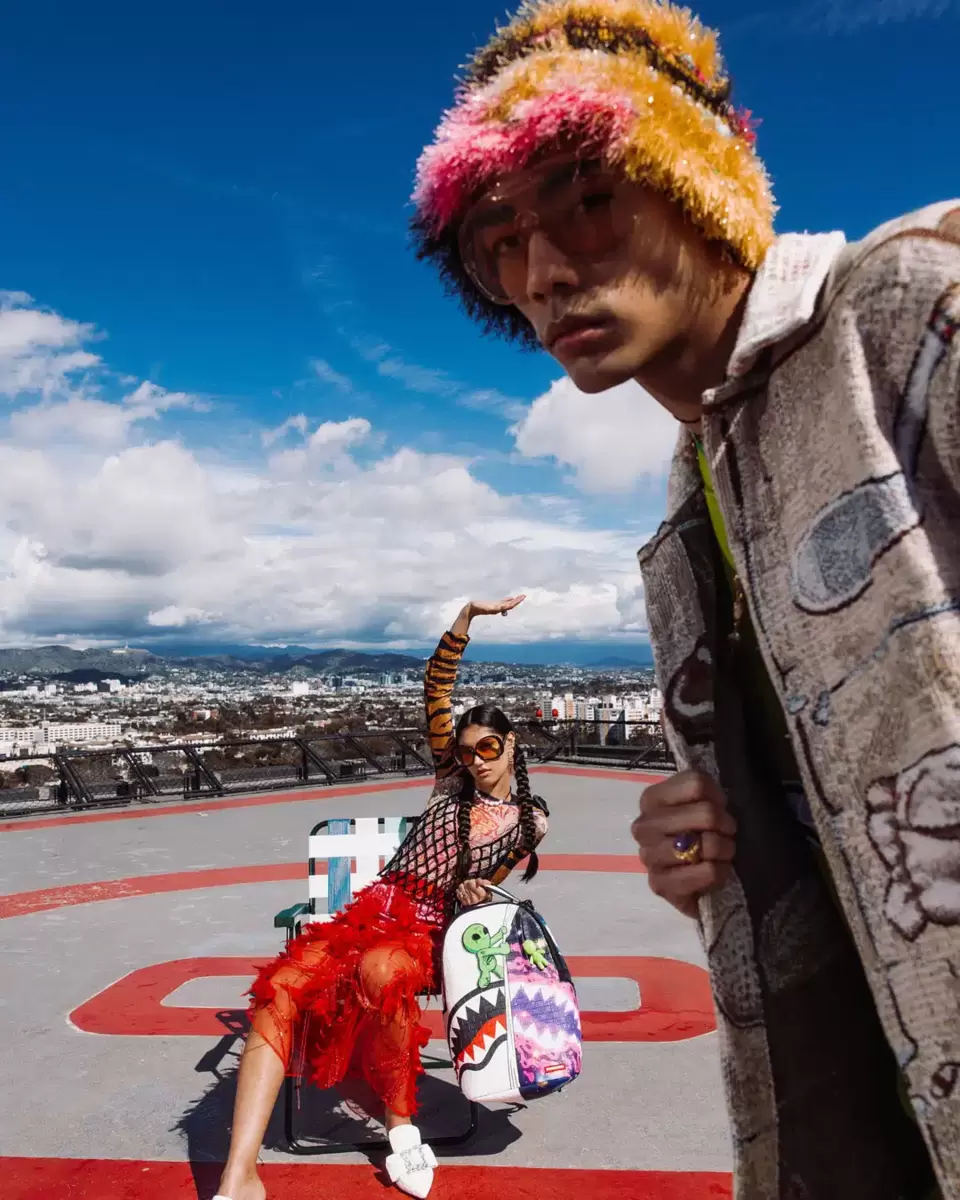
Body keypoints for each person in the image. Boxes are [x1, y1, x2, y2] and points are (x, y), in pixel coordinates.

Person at [411, 2, 960, 1196]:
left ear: (699, 181)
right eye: (497, 242)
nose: (542, 273)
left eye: (587, 198)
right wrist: (738, 849)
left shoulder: (911, 303)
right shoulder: (692, 505)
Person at [214, 595, 548, 1200]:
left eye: (488, 749)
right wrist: (466, 618)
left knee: (382, 973)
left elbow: (487, 892)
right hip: (373, 910)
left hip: (432, 932)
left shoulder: (530, 822)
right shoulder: (450, 779)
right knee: (277, 991)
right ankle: (240, 1175)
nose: (476, 761)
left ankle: (400, 1125)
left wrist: (473, 891)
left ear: (511, 744)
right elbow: (436, 686)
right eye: (468, 751)